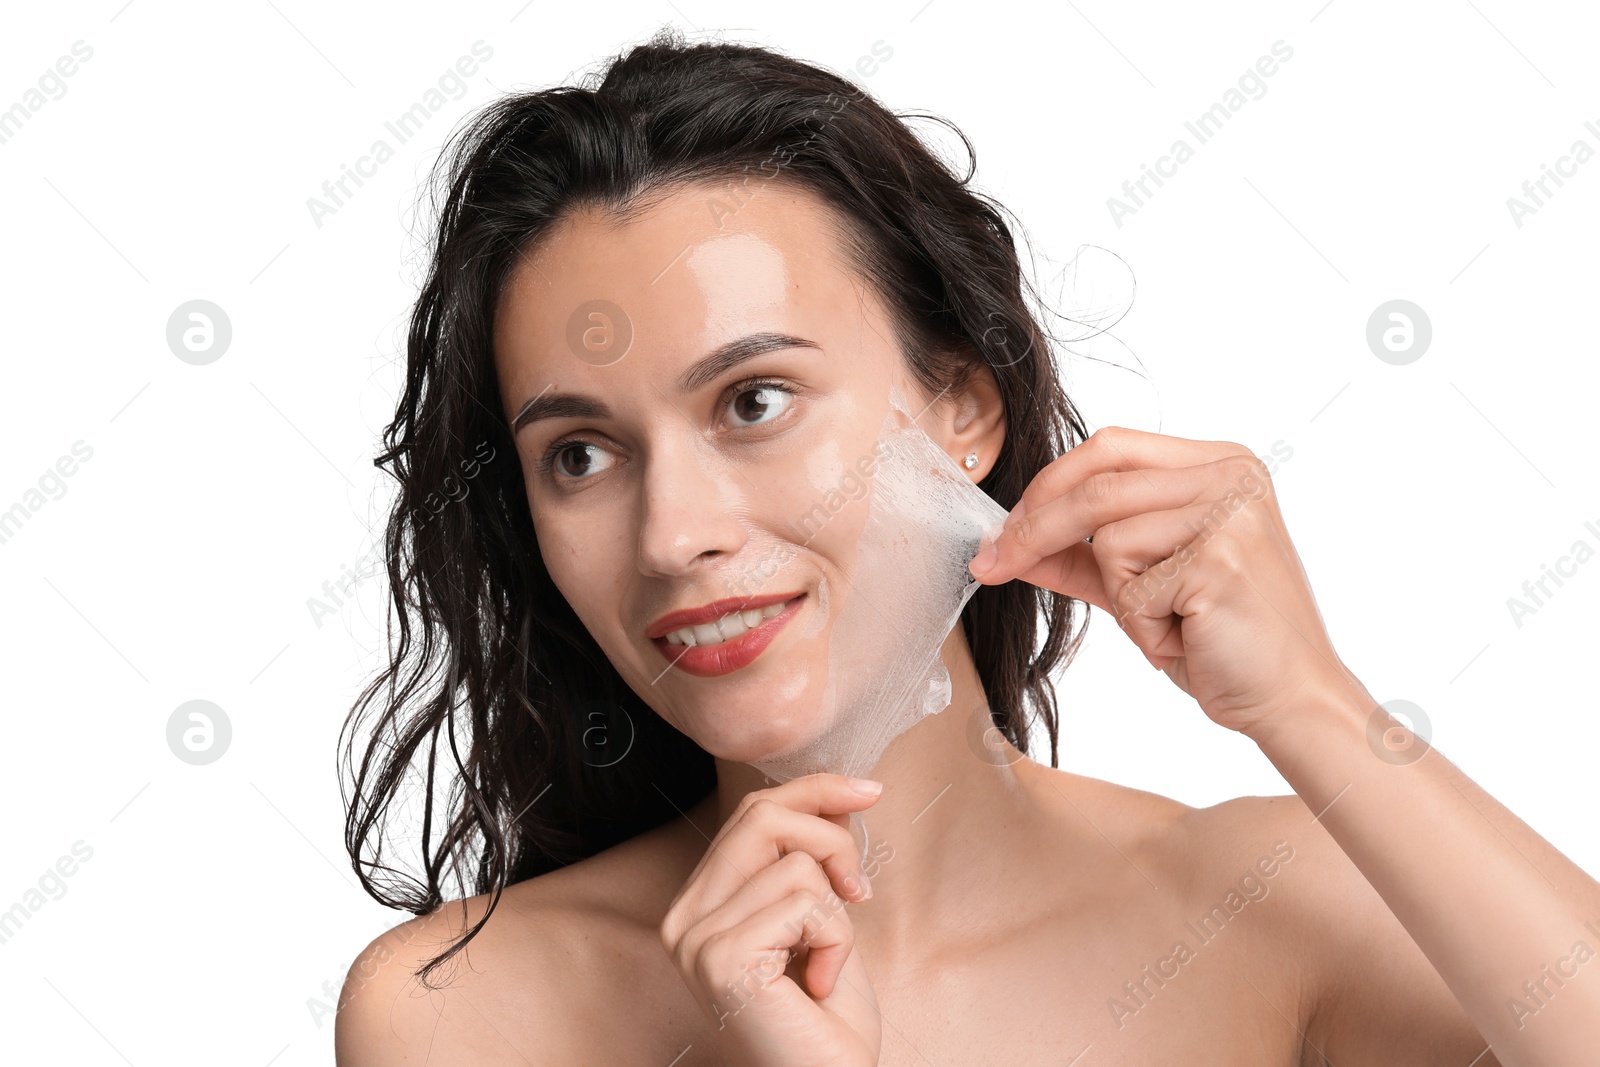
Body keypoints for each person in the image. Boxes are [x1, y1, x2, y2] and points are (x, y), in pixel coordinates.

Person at [334, 29, 1600, 1065]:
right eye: (581, 455)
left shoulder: (1266, 907)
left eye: (754, 400)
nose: (674, 534)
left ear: (963, 407)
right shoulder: (466, 1011)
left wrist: (1308, 701)